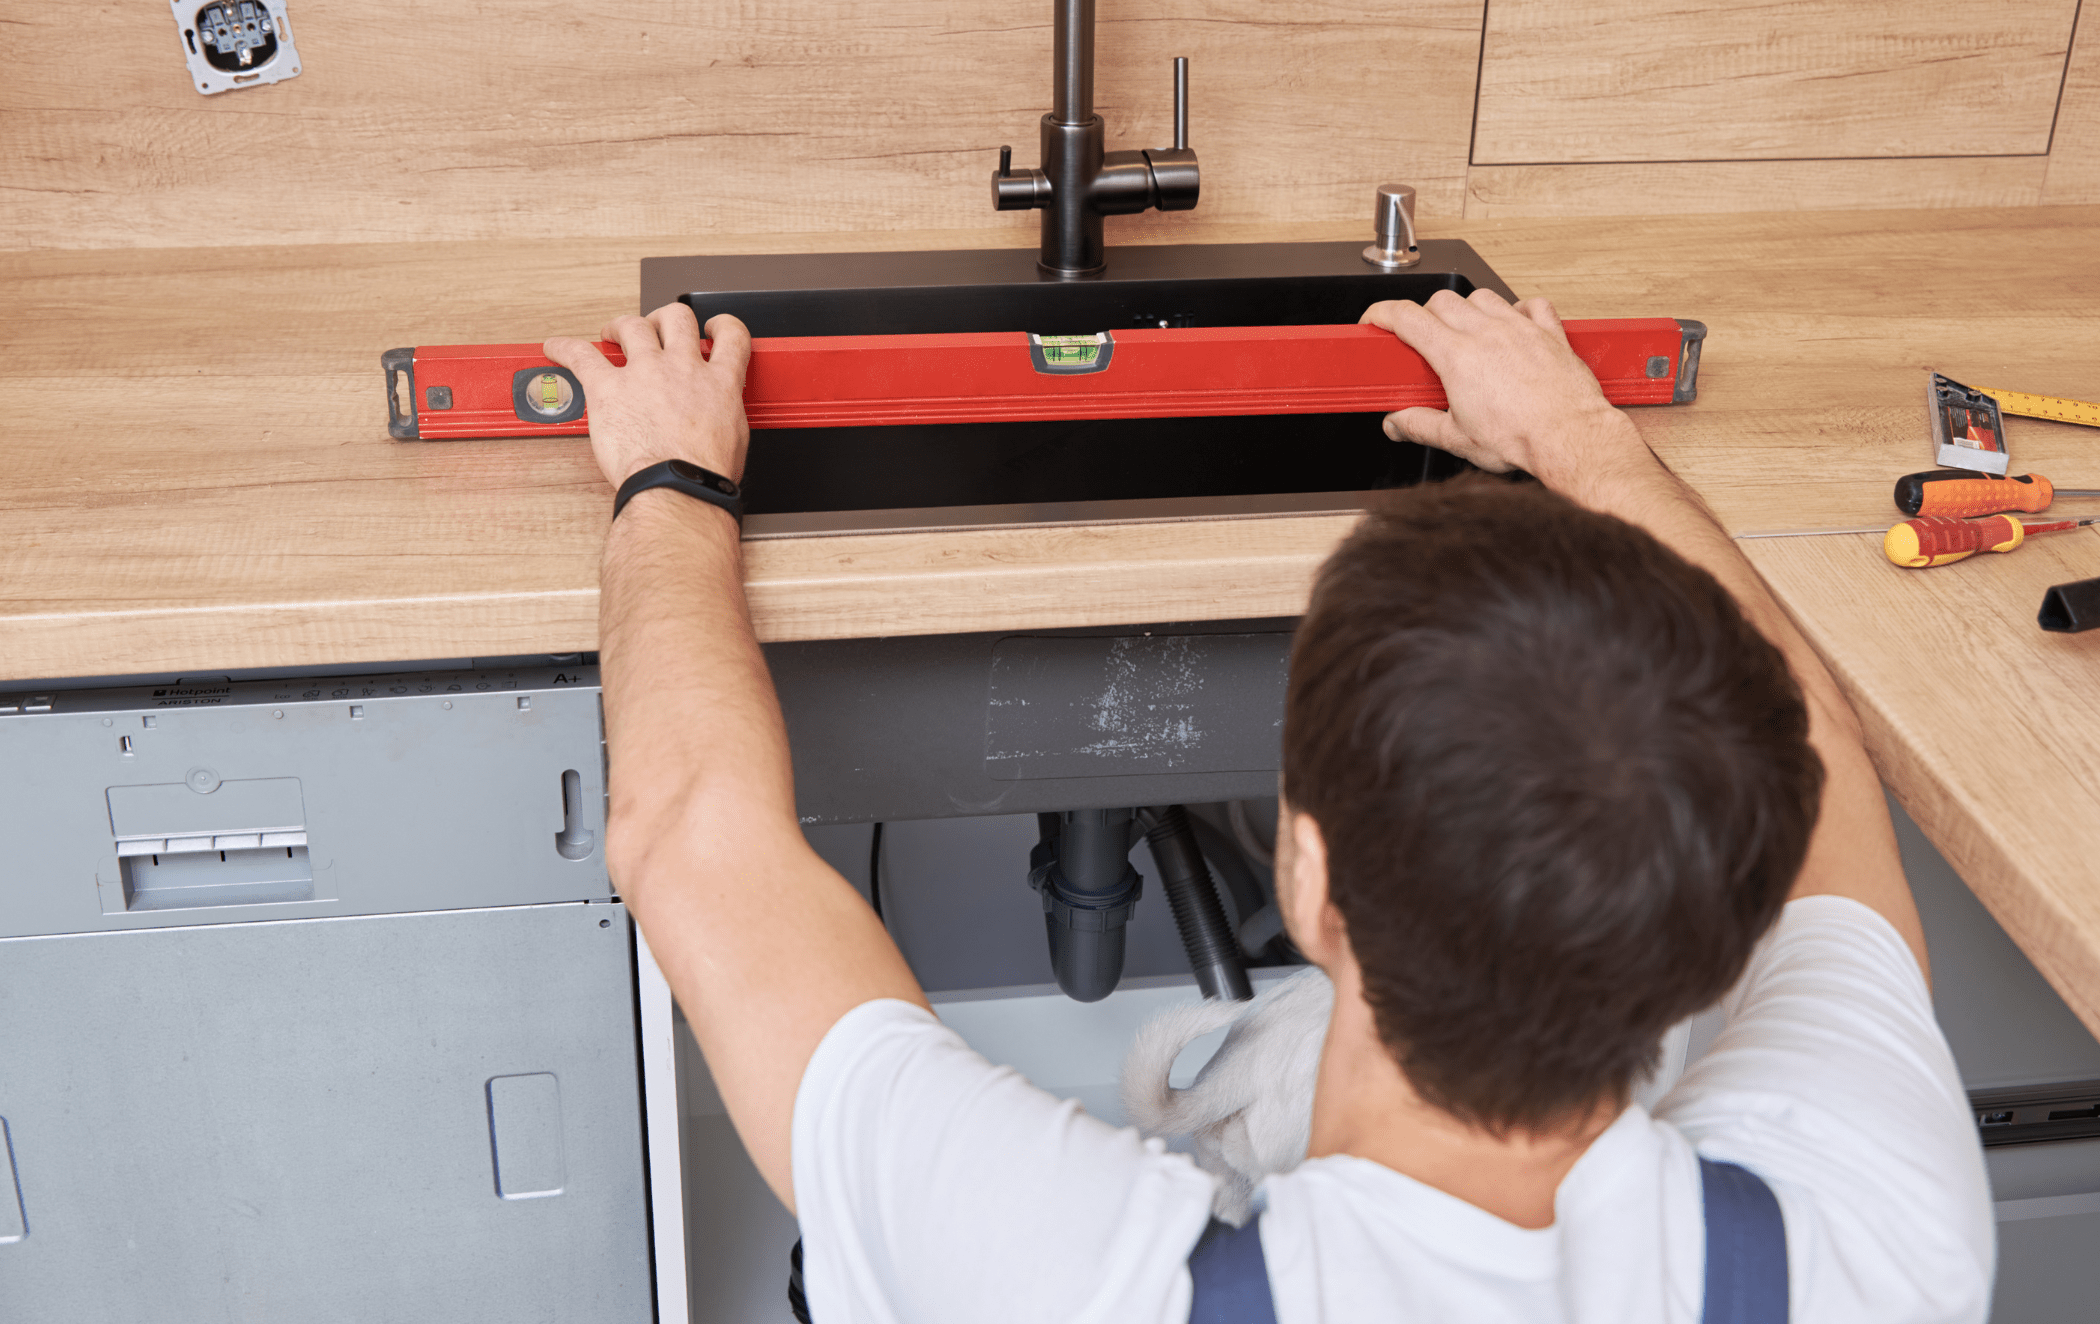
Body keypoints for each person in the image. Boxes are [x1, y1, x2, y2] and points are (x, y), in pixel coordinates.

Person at [543, 289, 1993, 1323]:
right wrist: (1584, 437)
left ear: (1306, 873)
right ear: (1724, 909)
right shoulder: (1871, 1238)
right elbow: (1821, 773)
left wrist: (669, 472)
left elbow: (688, 836)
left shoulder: (1061, 1274)